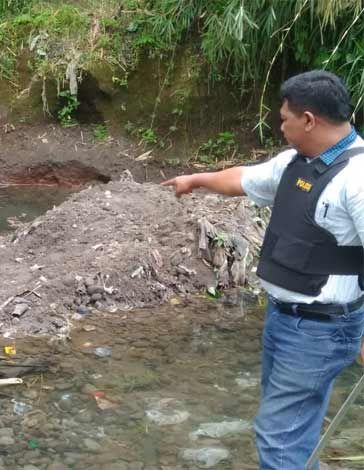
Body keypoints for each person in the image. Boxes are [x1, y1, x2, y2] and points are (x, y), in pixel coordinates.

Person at [162, 70, 364, 469]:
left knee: (278, 441)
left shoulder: (357, 179)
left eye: (284, 117)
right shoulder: (297, 163)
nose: (279, 124)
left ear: (309, 120)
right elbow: (243, 179)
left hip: (321, 329)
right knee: (293, 430)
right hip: (286, 321)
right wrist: (196, 179)